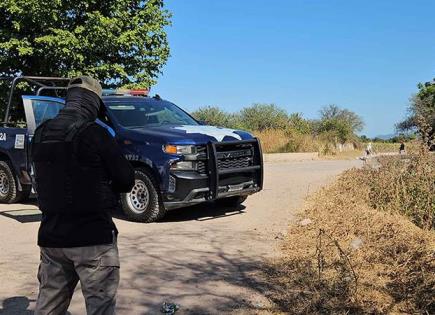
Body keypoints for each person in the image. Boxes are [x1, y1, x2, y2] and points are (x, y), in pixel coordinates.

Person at [31, 76, 135, 315]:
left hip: (52, 238)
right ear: (93, 103)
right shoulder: (95, 134)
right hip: (93, 240)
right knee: (100, 310)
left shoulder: (41, 132)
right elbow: (126, 180)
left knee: (48, 308)